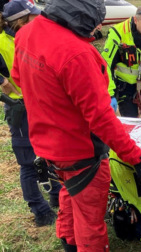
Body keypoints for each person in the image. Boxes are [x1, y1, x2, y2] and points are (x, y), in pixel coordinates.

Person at [12, 0, 141, 251]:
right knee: (90, 224)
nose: (97, 28)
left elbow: (18, 78)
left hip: (49, 147)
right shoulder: (77, 54)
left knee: (69, 200)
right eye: (94, 23)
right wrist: (137, 159)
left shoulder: (27, 33)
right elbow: (101, 119)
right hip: (82, 153)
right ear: (81, 16)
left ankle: (69, 244)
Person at [0, 0, 61, 227]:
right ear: (22, 21)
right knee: (28, 162)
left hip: (41, 103)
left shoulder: (34, 37)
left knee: (50, 152)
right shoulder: (2, 40)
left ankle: (56, 194)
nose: (39, 19)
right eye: (34, 16)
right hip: (20, 107)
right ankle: (40, 210)